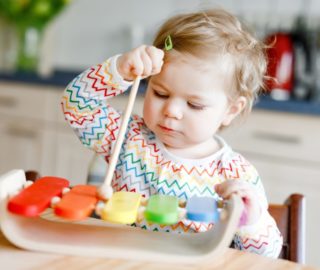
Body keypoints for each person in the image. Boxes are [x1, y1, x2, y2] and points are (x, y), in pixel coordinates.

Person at [61, 8, 283, 258]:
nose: (172, 111)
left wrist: (251, 222)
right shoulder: (128, 138)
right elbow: (76, 106)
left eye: (194, 105)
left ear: (231, 110)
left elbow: (267, 255)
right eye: (160, 93)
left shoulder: (237, 175)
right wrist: (118, 71)